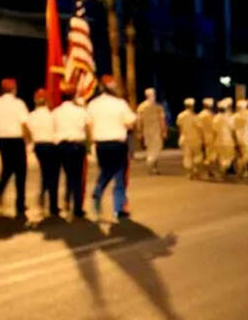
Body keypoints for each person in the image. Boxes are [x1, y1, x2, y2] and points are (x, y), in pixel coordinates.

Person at [86, 75, 137, 220]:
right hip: (117, 144)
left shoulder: (93, 104)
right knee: (119, 176)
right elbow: (130, 123)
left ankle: (98, 191)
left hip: (101, 144)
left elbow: (89, 126)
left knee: (106, 170)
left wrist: (91, 143)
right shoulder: (120, 103)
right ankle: (118, 209)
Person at [0, 78, 30, 217]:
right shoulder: (19, 104)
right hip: (16, 139)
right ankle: (20, 204)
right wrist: (28, 139)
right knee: (21, 172)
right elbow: (24, 123)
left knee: (7, 167)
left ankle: (0, 189)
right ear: (13, 89)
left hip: (3, 140)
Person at [53, 82, 89, 218]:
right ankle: (77, 208)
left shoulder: (56, 112)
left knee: (67, 175)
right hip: (77, 146)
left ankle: (66, 201)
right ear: (74, 96)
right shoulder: (81, 111)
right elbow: (88, 128)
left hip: (61, 147)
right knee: (77, 177)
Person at [27, 90, 59, 215]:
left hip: (38, 146)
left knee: (45, 172)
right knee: (53, 175)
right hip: (51, 146)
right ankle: (53, 205)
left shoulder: (31, 115)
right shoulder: (52, 115)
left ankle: (43, 194)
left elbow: (27, 132)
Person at [136, 88, 167, 174]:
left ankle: (153, 166)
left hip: (149, 131)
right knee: (155, 149)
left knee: (152, 149)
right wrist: (164, 131)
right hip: (154, 132)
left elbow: (139, 121)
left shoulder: (142, 107)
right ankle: (151, 164)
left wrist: (139, 132)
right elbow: (162, 120)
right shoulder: (157, 107)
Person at [176, 98, 203, 180]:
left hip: (184, 138)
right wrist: (202, 138)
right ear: (192, 106)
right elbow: (199, 128)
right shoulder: (195, 116)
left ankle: (189, 172)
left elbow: (179, 128)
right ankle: (195, 171)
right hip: (194, 139)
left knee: (187, 156)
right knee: (198, 156)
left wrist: (180, 137)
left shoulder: (180, 116)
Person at [213, 98, 237, 179]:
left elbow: (214, 131)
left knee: (221, 157)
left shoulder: (215, 118)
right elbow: (233, 130)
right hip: (228, 140)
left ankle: (222, 171)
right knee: (229, 157)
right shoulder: (229, 118)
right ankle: (223, 171)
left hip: (218, 141)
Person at [198, 97, 216, 179]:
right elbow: (214, 126)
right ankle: (208, 170)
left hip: (201, 136)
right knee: (210, 155)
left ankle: (207, 171)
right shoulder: (210, 115)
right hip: (210, 136)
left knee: (203, 154)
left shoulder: (200, 115)